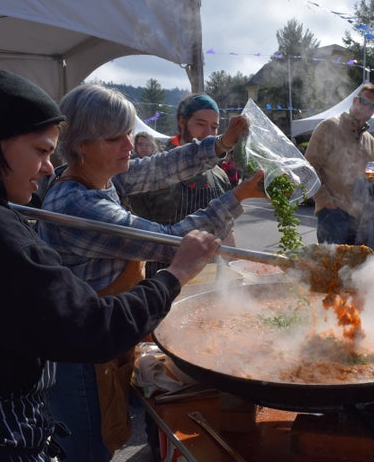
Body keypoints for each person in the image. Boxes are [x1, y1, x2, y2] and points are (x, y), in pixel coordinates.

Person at [0, 58, 221, 461]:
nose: (45, 168)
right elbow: (92, 326)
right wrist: (175, 274)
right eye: (39, 151)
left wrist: (219, 145)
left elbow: (156, 167)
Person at [37, 84, 264, 461]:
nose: (129, 144)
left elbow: (158, 167)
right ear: (81, 145)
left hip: (101, 338)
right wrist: (237, 198)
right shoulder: (77, 203)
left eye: (128, 132)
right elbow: (172, 242)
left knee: (105, 433)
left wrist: (220, 144)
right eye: (115, 138)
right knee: (89, 449)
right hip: (78, 354)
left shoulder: (100, 175)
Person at [127, 93, 237, 274]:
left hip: (208, 281)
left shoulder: (220, 176)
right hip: (161, 281)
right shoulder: (153, 171)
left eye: (214, 127)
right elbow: (135, 240)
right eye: (201, 124)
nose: (208, 134)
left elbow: (227, 232)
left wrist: (233, 271)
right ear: (182, 121)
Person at [305, 83, 374, 246]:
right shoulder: (330, 127)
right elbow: (309, 168)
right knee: (332, 268)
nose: (366, 108)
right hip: (332, 214)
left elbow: (371, 180)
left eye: (372, 106)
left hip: (361, 218)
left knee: (354, 269)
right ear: (355, 101)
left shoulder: (372, 143)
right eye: (364, 102)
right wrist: (325, 201)